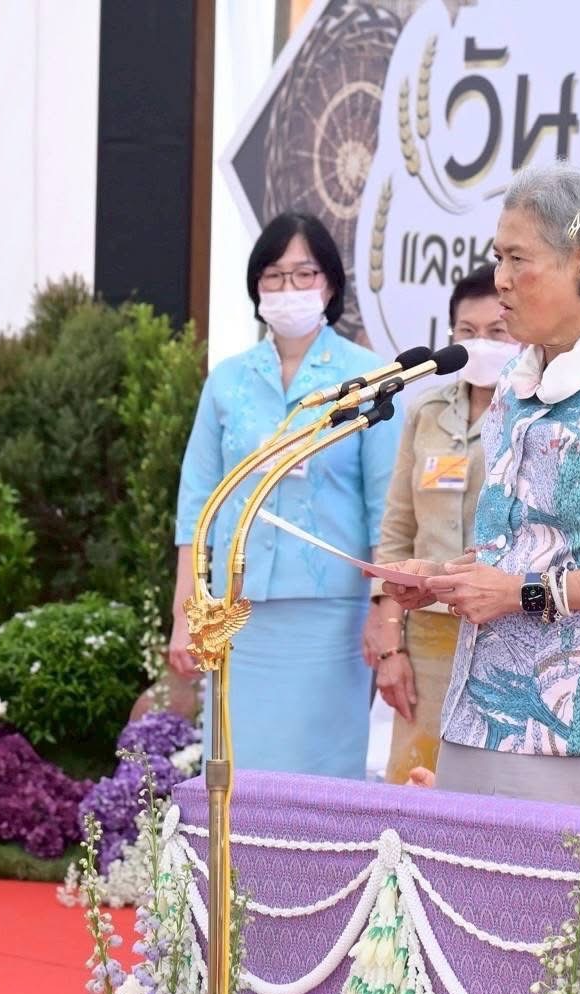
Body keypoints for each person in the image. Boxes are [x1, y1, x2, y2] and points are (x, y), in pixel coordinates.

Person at [381, 161, 580, 817]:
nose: (499, 279)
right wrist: (443, 577)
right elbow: (523, 545)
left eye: (516, 258)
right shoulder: (516, 383)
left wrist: (523, 594)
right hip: (487, 714)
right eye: (495, 257)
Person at [169, 211, 402, 778]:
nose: (288, 289)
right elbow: (197, 501)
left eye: (304, 274)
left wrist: (385, 616)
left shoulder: (367, 378)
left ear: (329, 284)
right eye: (273, 276)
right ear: (255, 287)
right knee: (237, 770)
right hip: (235, 612)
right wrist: (184, 613)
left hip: (331, 615)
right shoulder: (227, 378)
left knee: (320, 775)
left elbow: (388, 515)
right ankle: (236, 870)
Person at [366, 264, 519, 784]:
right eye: (467, 332)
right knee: (413, 782)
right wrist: (391, 644)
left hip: (504, 629)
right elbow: (396, 532)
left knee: (483, 792)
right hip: (427, 630)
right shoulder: (425, 410)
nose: (481, 344)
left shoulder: (534, 412)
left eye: (496, 332)